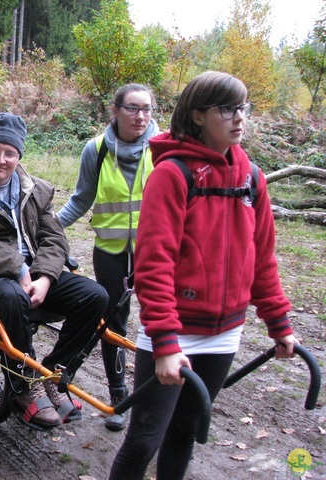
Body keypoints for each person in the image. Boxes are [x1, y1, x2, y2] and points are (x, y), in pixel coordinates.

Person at [108, 71, 298, 480]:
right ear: (197, 115)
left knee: (185, 433)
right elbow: (154, 264)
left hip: (225, 333)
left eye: (242, 107)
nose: (239, 117)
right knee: (143, 440)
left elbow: (262, 259)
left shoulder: (252, 178)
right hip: (175, 331)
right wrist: (164, 342)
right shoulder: (172, 175)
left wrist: (278, 322)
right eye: (227, 108)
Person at [0, 112, 109, 429]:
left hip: (34, 275)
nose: (1, 160)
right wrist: (17, 266)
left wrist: (45, 277)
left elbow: (55, 237)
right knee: (13, 298)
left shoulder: (37, 189)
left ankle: (54, 372)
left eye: (10, 153)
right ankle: (23, 387)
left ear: (19, 156)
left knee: (95, 296)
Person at [57, 84, 158, 432]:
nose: (141, 116)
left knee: (160, 321)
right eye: (132, 108)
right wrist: (47, 226)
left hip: (156, 252)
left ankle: (158, 394)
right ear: (114, 111)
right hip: (111, 253)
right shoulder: (96, 150)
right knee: (113, 322)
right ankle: (118, 397)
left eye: (147, 108)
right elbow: (81, 199)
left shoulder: (164, 150)